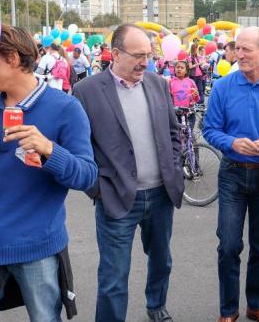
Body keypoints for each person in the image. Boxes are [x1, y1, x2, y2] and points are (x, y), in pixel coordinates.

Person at [0, 25, 97, 321]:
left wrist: (49, 150)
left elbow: (87, 175)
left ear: (11, 58)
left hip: (37, 247)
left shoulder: (65, 108)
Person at [72, 24, 184, 322]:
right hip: (116, 198)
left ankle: (156, 305)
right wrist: (98, 188)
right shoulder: (86, 91)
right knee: (113, 277)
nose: (144, 62)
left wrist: (174, 169)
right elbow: (78, 147)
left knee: (162, 261)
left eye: (148, 55)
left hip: (161, 194)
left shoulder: (158, 83)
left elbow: (173, 134)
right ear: (116, 53)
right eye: (137, 55)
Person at [203, 27, 259, 322]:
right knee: (228, 245)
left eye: (247, 49)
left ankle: (257, 304)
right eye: (237, 48)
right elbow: (209, 129)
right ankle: (228, 310)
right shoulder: (224, 87)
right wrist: (232, 142)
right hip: (232, 174)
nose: (240, 54)